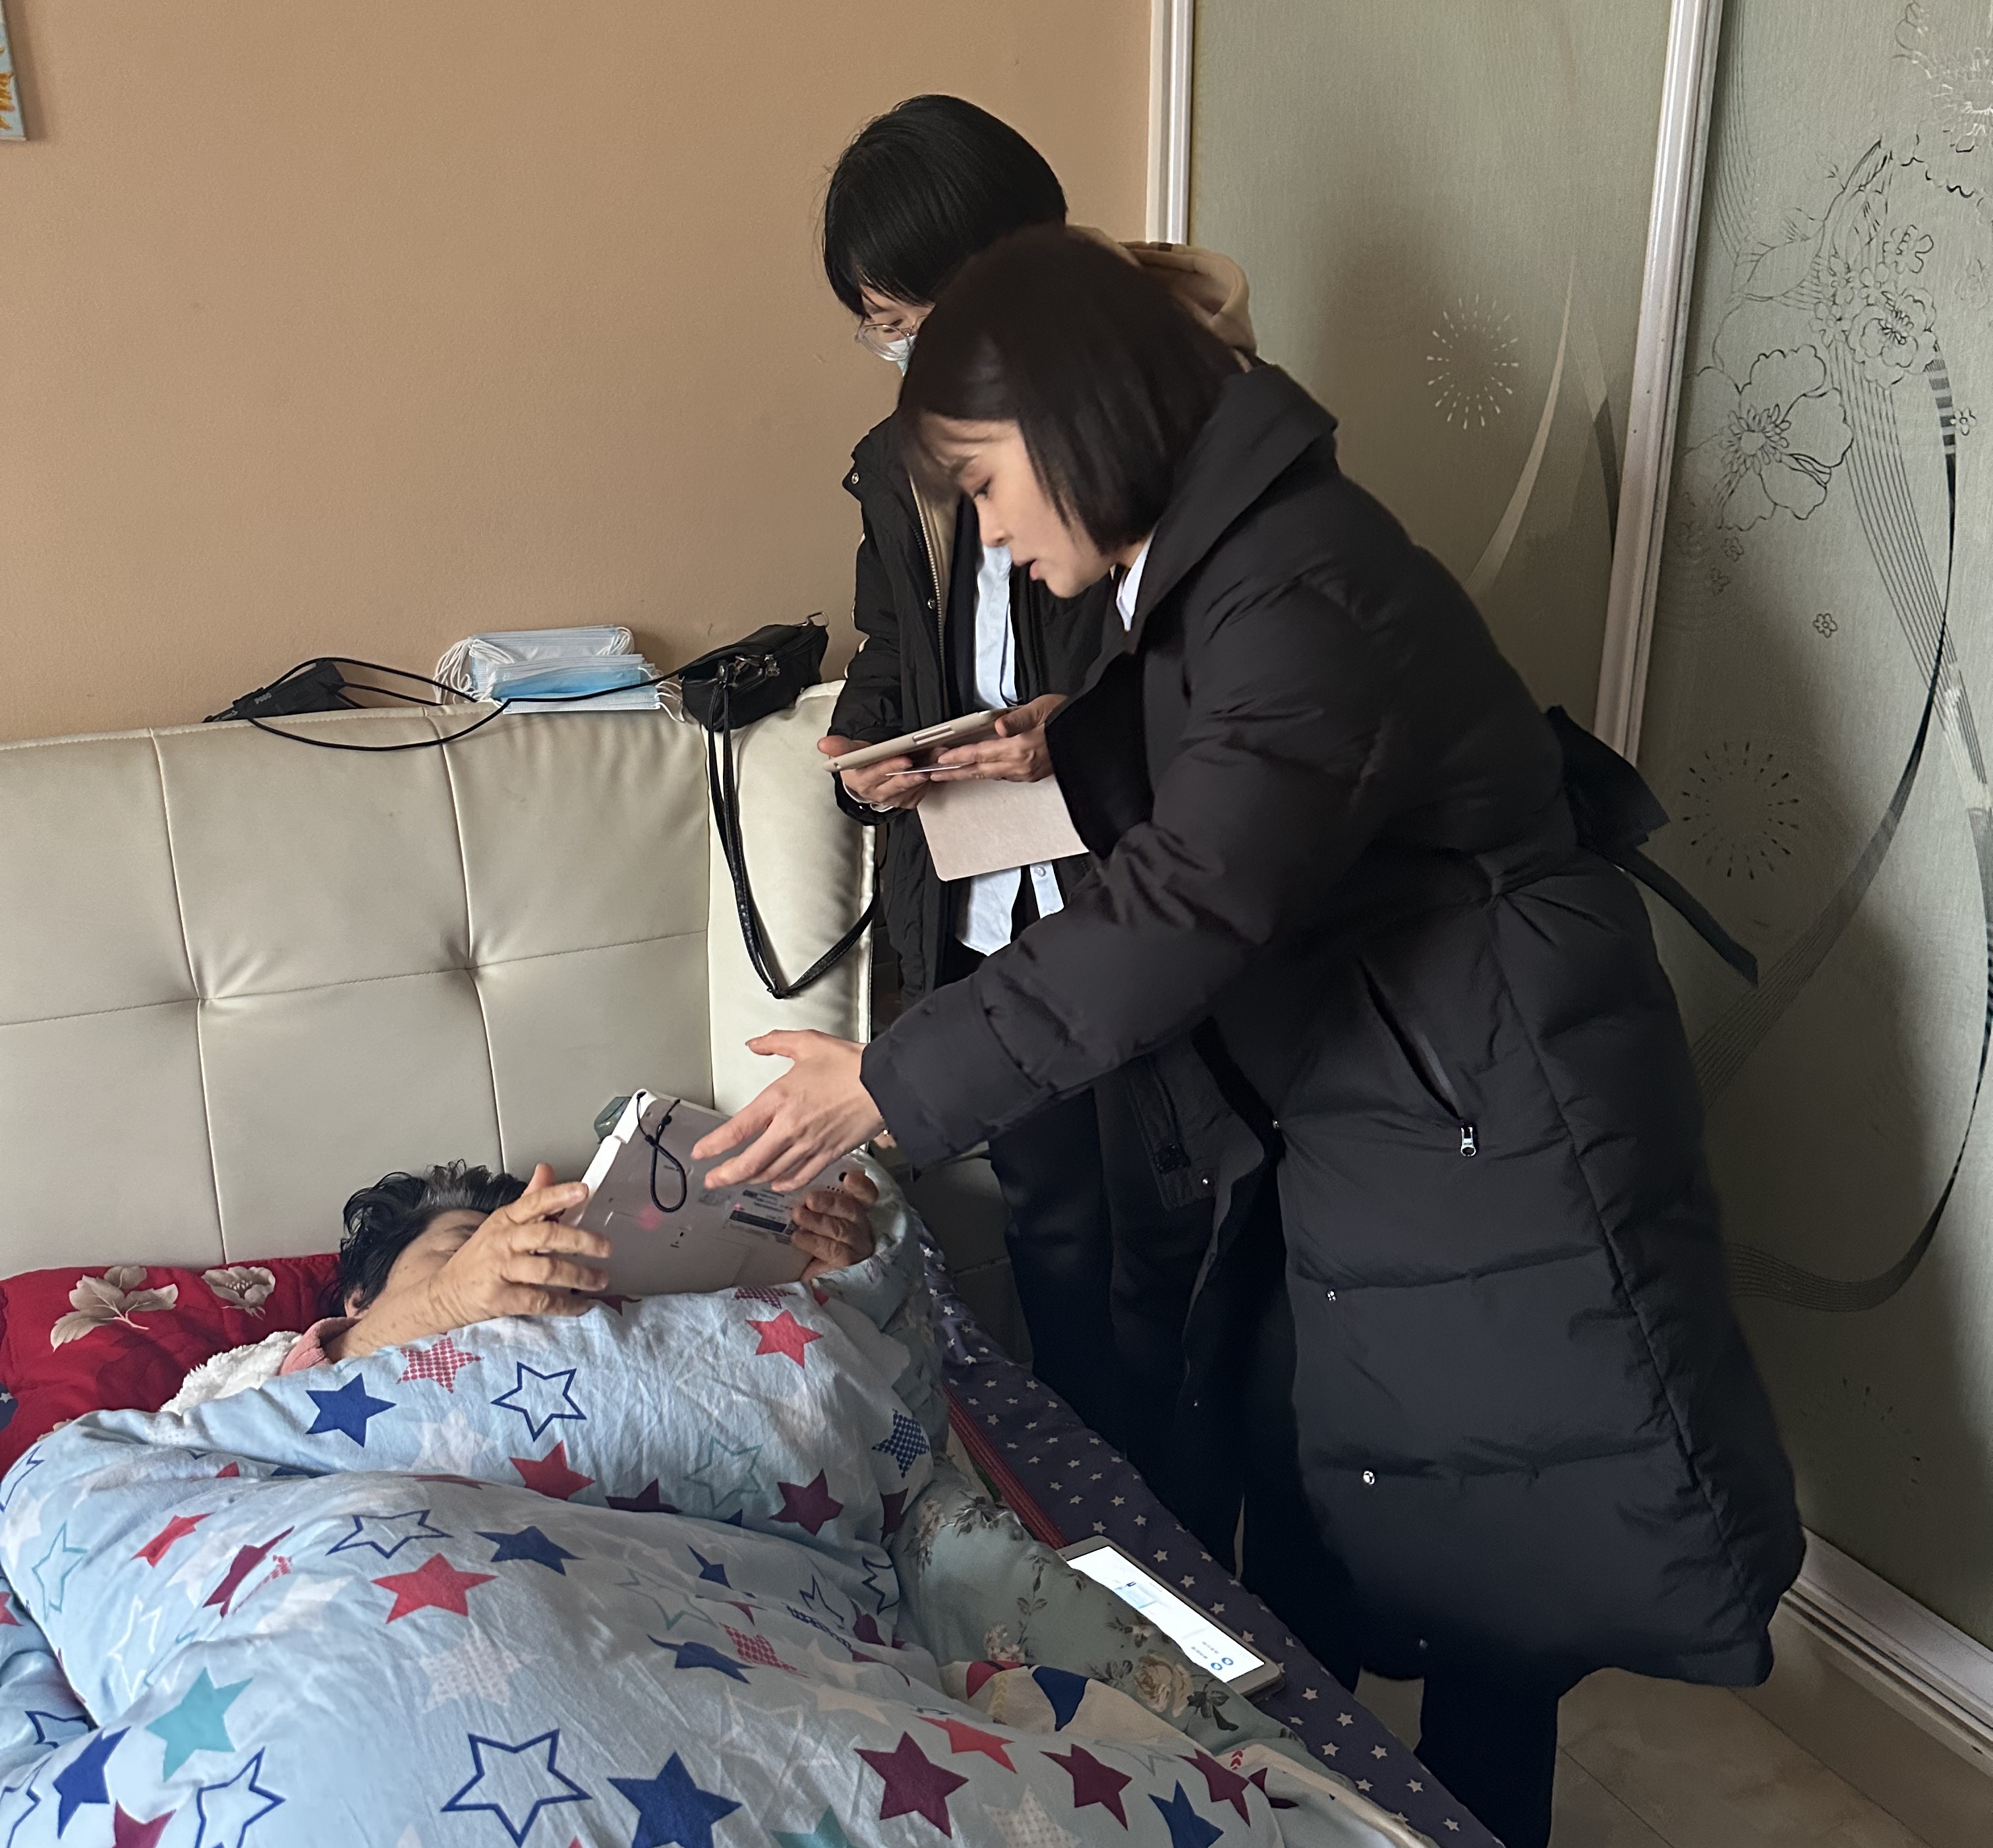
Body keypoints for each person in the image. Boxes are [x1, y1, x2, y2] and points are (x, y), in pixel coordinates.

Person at [695, 228, 1803, 1848]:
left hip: (1494, 1099)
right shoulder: (1233, 558)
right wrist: (1070, 741)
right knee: (1337, 1499)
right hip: (1398, 1083)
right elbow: (1234, 760)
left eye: (989, 485)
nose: (991, 534)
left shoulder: (1298, 576)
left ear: (1075, 424)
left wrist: (891, 1080)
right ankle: (1334, 1803)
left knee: (1501, 1542)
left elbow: (1192, 898)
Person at [817, 95, 1251, 1474]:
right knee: (1052, 1240)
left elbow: (1203, 685)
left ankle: (1184, 1544)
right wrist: (867, 758)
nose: (904, 354)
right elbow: (893, 651)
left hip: (1129, 902)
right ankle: (1092, 1522)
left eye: (913, 318)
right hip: (982, 906)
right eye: (883, 329)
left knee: (1176, 1257)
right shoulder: (900, 466)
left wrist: (1080, 735)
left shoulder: (1171, 426)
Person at [166, 1161, 877, 1412]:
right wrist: (448, 1300)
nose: (507, 1269)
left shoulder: (616, 1332)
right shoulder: (259, 1383)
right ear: (360, 1300)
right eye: (464, 1248)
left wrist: (826, 1293)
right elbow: (208, 1449)